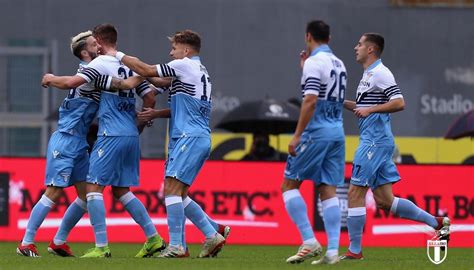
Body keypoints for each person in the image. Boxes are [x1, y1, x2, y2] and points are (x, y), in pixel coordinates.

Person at [41, 23, 165, 258]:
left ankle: (101, 246)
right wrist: (139, 125)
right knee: (121, 190)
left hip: (110, 135)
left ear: (98, 41)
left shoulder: (97, 64)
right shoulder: (127, 64)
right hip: (130, 135)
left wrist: (49, 78)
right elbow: (149, 96)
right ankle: (154, 238)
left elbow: (70, 84)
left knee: (92, 189)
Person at [107, 30, 228, 258]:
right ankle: (212, 234)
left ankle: (177, 246)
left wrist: (117, 54)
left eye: (174, 49)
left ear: (186, 50)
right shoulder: (198, 71)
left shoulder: (185, 66)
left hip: (188, 137)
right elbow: (159, 81)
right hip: (196, 136)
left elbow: (148, 70)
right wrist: (155, 112)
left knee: (171, 190)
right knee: (179, 193)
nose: (171, 53)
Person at [340, 33, 450, 260]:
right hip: (378, 142)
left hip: (374, 142)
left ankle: (354, 251)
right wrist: (340, 102)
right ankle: (436, 222)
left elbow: (399, 102)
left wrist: (370, 110)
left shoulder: (381, 73)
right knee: (384, 201)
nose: (355, 47)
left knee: (354, 192)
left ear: (371, 49)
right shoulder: (368, 75)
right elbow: (363, 107)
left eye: (359, 44)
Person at [16, 30, 100, 257]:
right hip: (65, 140)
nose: (99, 46)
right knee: (53, 193)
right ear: (85, 52)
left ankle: (59, 242)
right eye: (94, 44)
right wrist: (51, 78)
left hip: (79, 142)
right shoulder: (90, 71)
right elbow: (69, 82)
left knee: (85, 195)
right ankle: (25, 243)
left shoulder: (96, 69)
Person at [282, 20, 346, 265]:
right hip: (337, 132)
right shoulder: (339, 64)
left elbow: (310, 100)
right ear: (328, 38)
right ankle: (332, 251)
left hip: (316, 132)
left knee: (289, 185)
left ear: (308, 36)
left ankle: (309, 240)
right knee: (327, 188)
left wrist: (297, 135)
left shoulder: (313, 62)